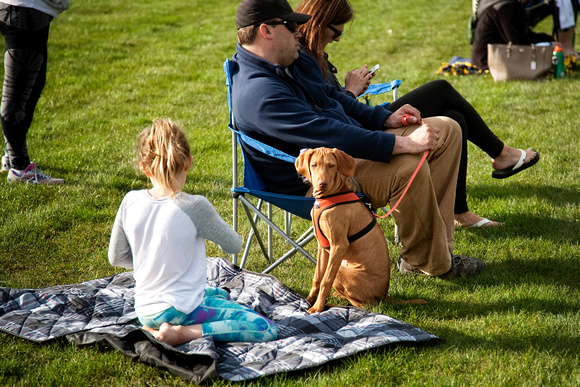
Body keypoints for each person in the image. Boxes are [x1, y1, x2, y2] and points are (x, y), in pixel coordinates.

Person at [232, 0, 485, 278]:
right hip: (315, 182)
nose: (298, 32)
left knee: (447, 129)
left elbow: (335, 97)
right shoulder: (258, 92)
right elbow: (328, 132)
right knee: (408, 165)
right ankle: (426, 263)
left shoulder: (292, 61)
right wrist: (403, 143)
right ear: (266, 31)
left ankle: (440, 252)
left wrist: (383, 119)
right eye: (291, 25)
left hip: (344, 154)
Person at [295, 0, 540, 229]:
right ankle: (499, 154)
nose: (337, 39)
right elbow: (331, 116)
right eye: (337, 32)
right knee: (441, 89)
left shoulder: (311, 56)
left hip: (363, 123)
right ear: (319, 23)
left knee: (456, 116)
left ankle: (460, 209)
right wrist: (351, 91)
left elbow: (333, 105)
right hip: (361, 135)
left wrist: (359, 100)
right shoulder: (302, 61)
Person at [108, 118, 277, 347]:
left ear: (144, 167)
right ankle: (182, 333)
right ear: (188, 162)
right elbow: (234, 245)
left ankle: (155, 327)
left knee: (219, 294)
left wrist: (154, 259)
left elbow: (116, 257)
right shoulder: (194, 206)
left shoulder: (130, 201)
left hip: (145, 310)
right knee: (264, 328)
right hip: (179, 311)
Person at [0, 0, 67, 184]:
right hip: (23, 10)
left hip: (30, 10)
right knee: (16, 94)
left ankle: (11, 153)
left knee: (34, 85)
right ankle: (20, 168)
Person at [471, 0, 557, 69]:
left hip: (484, 59)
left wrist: (549, 40)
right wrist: (548, 45)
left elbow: (522, 34)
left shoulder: (507, 4)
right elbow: (518, 42)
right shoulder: (506, 7)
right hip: (488, 62)